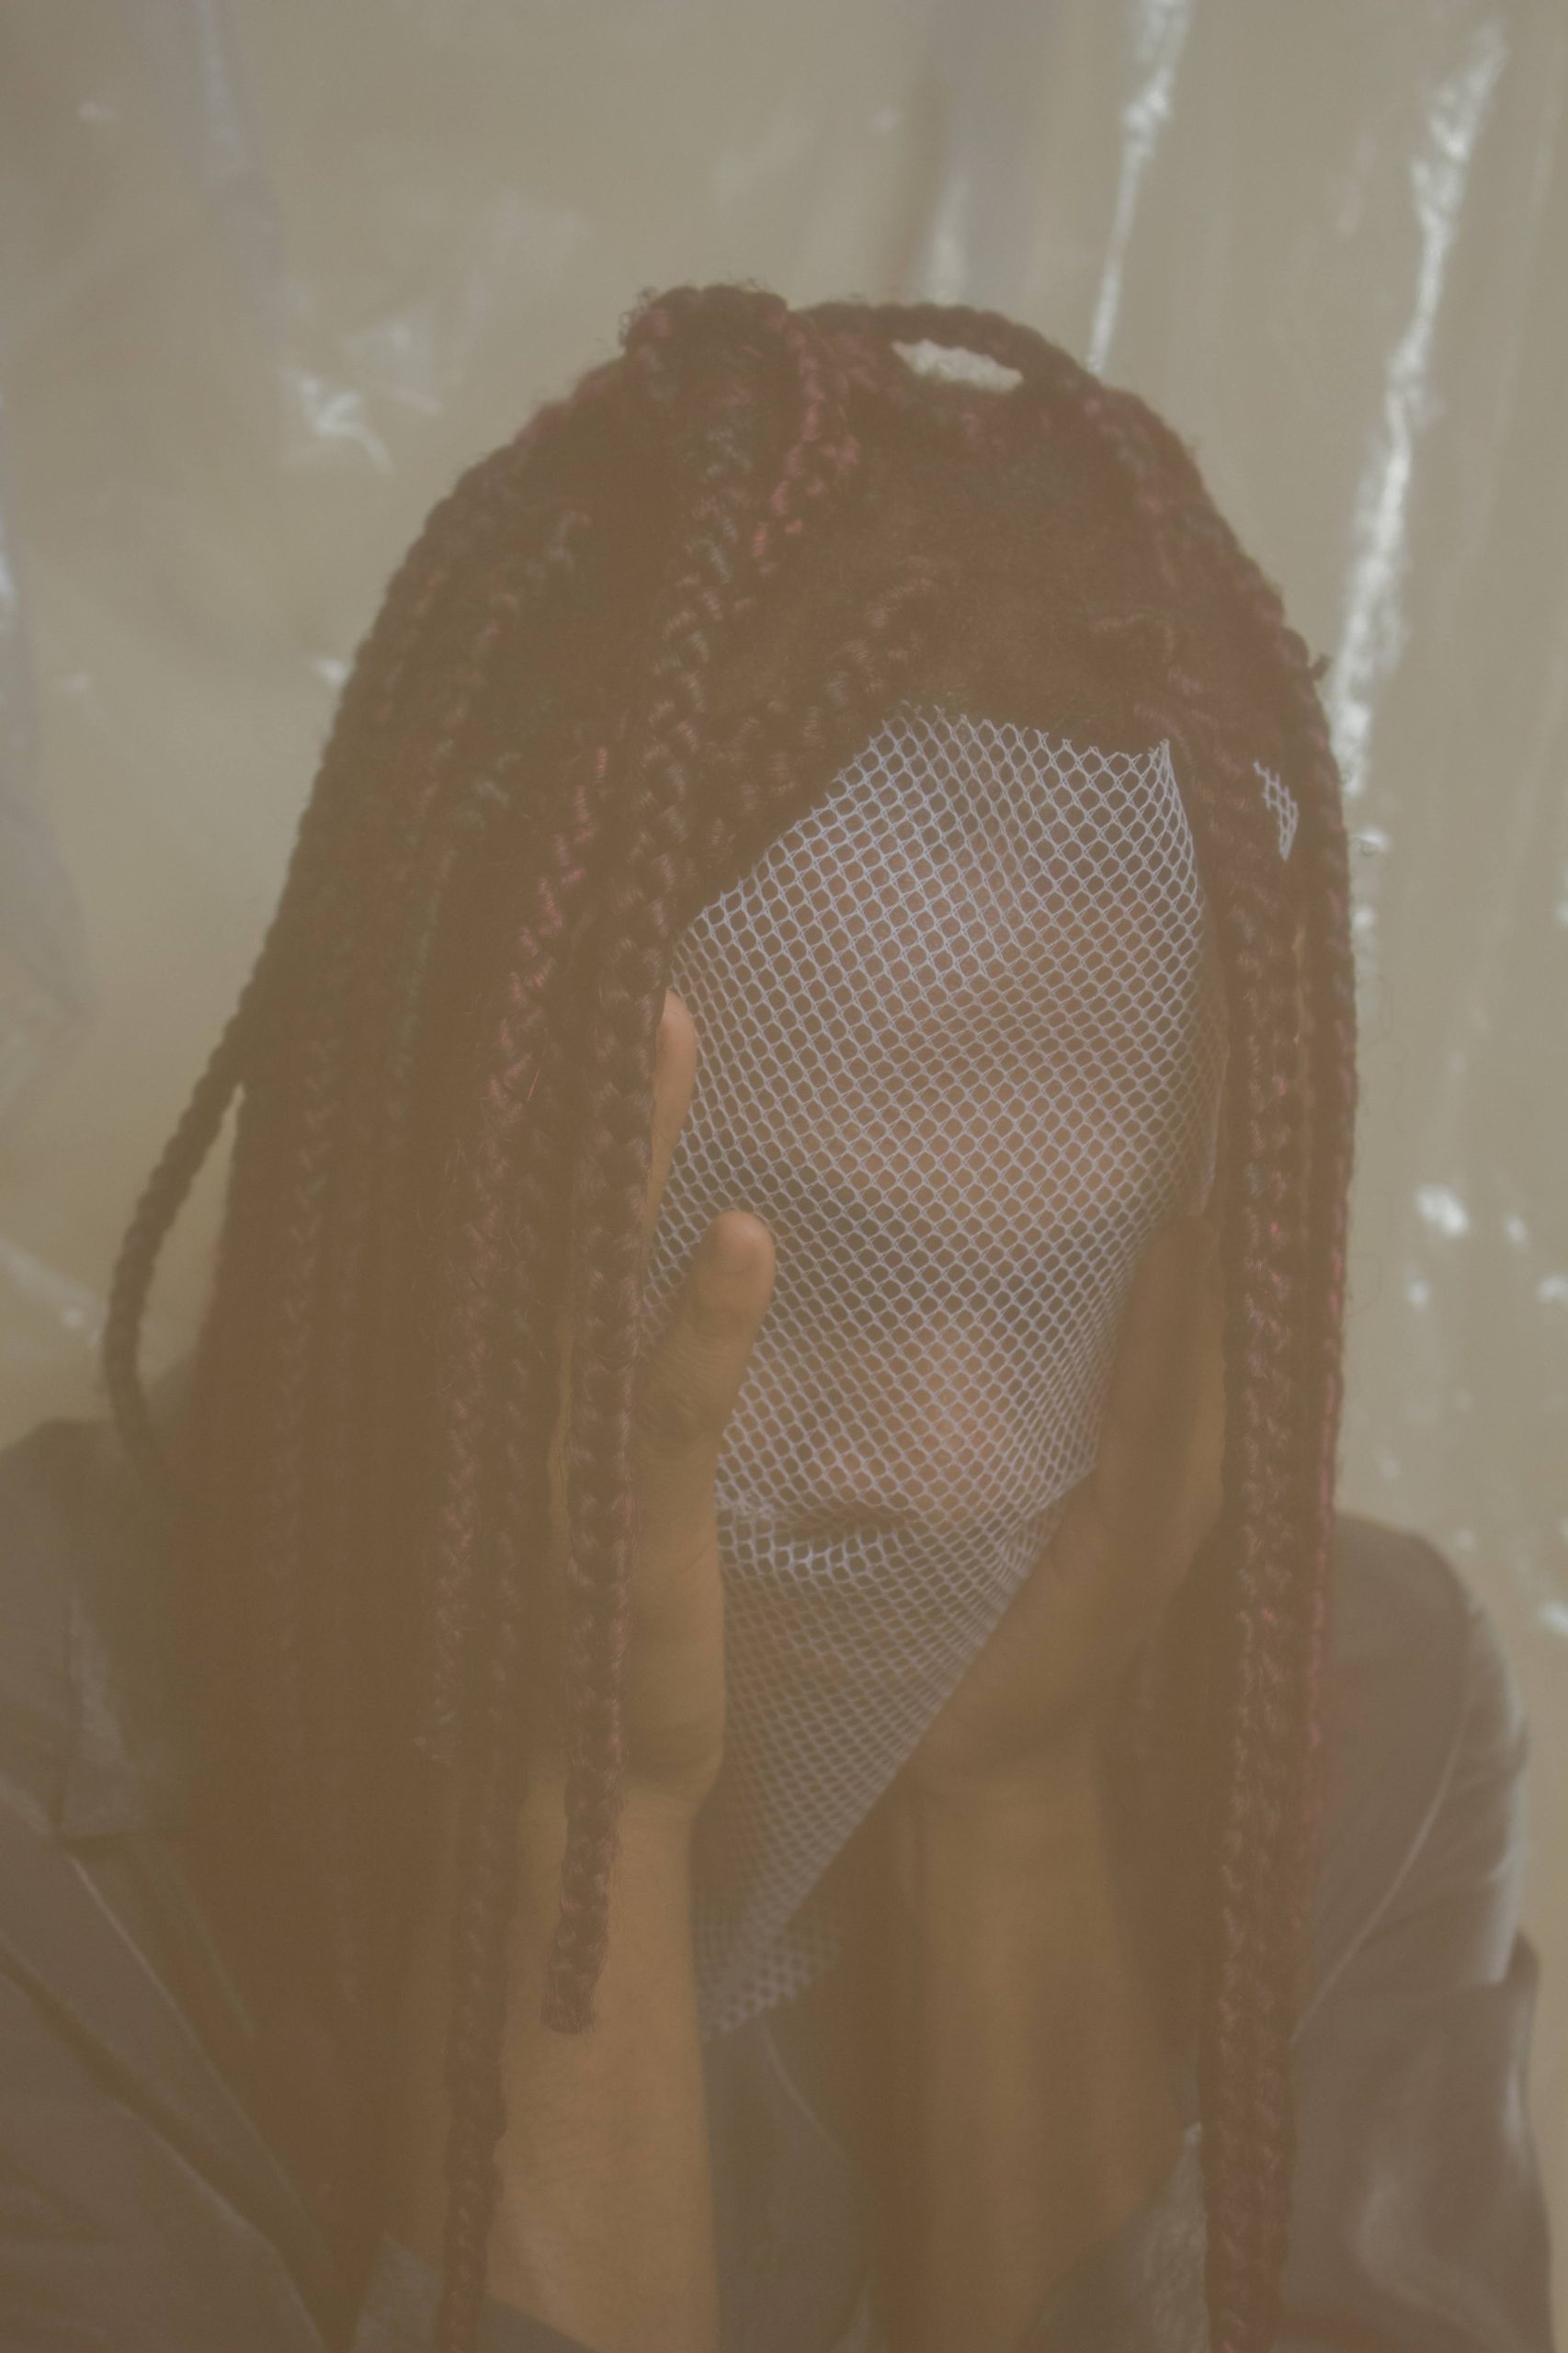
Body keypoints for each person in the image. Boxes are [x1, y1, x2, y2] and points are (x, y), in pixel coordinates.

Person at [0, 282, 1552, 2353]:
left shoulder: (1352, 1709)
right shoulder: (49, 1769)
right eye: (796, 1264)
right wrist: (572, 1804)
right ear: (465, 1170)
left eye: (1054, 1278)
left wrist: (1016, 1795)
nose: (955, 1463)